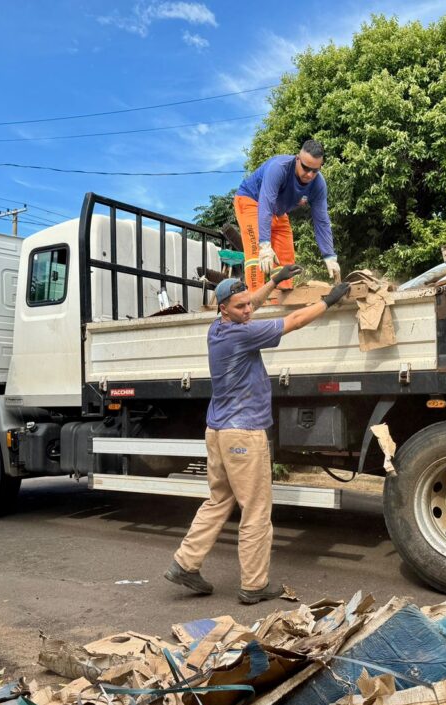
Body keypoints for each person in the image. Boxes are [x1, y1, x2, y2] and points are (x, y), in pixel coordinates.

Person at [165, 266, 350, 604]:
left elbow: (249, 303)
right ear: (224, 308)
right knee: (256, 510)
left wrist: (273, 283)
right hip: (243, 433)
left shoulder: (217, 329)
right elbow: (292, 322)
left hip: (218, 430)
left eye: (249, 304)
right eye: (241, 307)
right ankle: (253, 585)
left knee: (219, 500)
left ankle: (184, 563)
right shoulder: (242, 335)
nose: (248, 310)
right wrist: (328, 301)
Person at [234, 139, 341, 292]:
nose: (309, 174)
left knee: (285, 256)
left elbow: (322, 221)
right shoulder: (279, 168)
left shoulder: (318, 184)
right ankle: (254, 301)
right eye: (305, 168)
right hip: (252, 200)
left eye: (315, 170)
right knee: (256, 253)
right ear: (298, 159)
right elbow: (266, 204)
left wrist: (329, 256)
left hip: (278, 210)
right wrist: (265, 245)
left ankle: (281, 301)